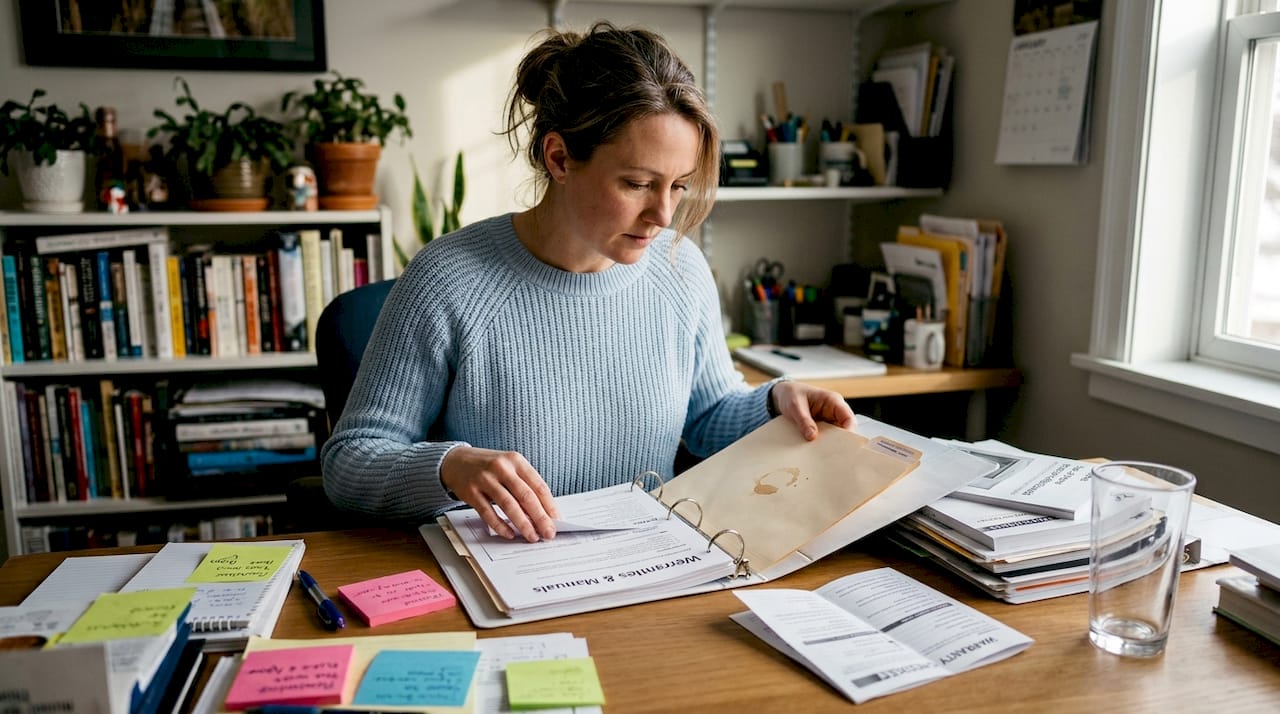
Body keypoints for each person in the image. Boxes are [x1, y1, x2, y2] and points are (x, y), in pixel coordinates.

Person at [321, 20, 856, 543]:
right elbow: (349, 462)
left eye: (679, 186)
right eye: (638, 183)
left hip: (644, 569)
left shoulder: (680, 270)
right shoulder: (448, 281)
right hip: (505, 582)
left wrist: (776, 400)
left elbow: (708, 416)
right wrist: (450, 466)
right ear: (559, 157)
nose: (663, 215)